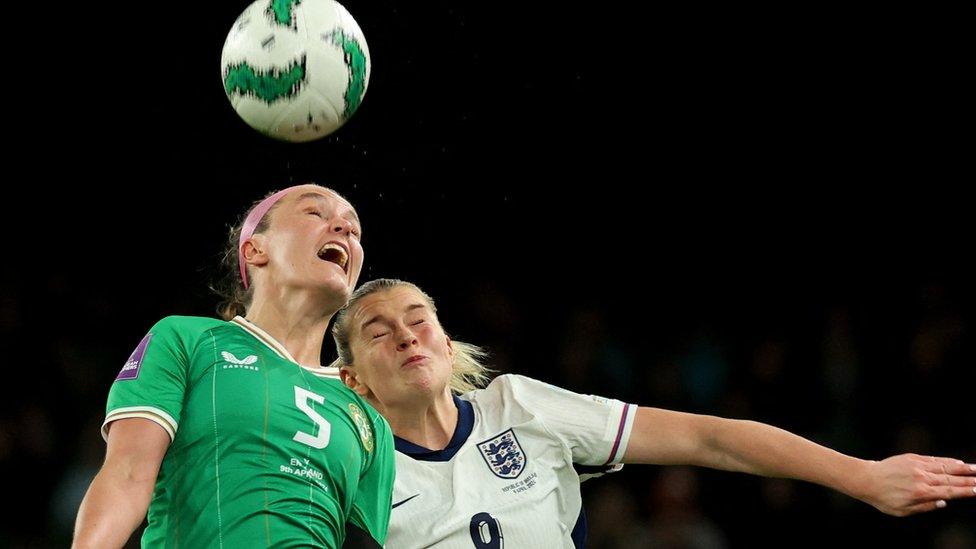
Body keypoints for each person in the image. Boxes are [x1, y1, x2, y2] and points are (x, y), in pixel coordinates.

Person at [330, 278, 976, 548]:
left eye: (419, 320)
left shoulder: (520, 407)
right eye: (380, 331)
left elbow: (709, 438)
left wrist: (861, 476)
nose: (408, 335)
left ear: (446, 341)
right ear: (352, 378)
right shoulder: (350, 471)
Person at [73, 184, 395, 548]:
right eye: (314, 213)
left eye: (354, 230)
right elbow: (127, 476)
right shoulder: (188, 339)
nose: (344, 230)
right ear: (255, 250)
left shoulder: (368, 418)